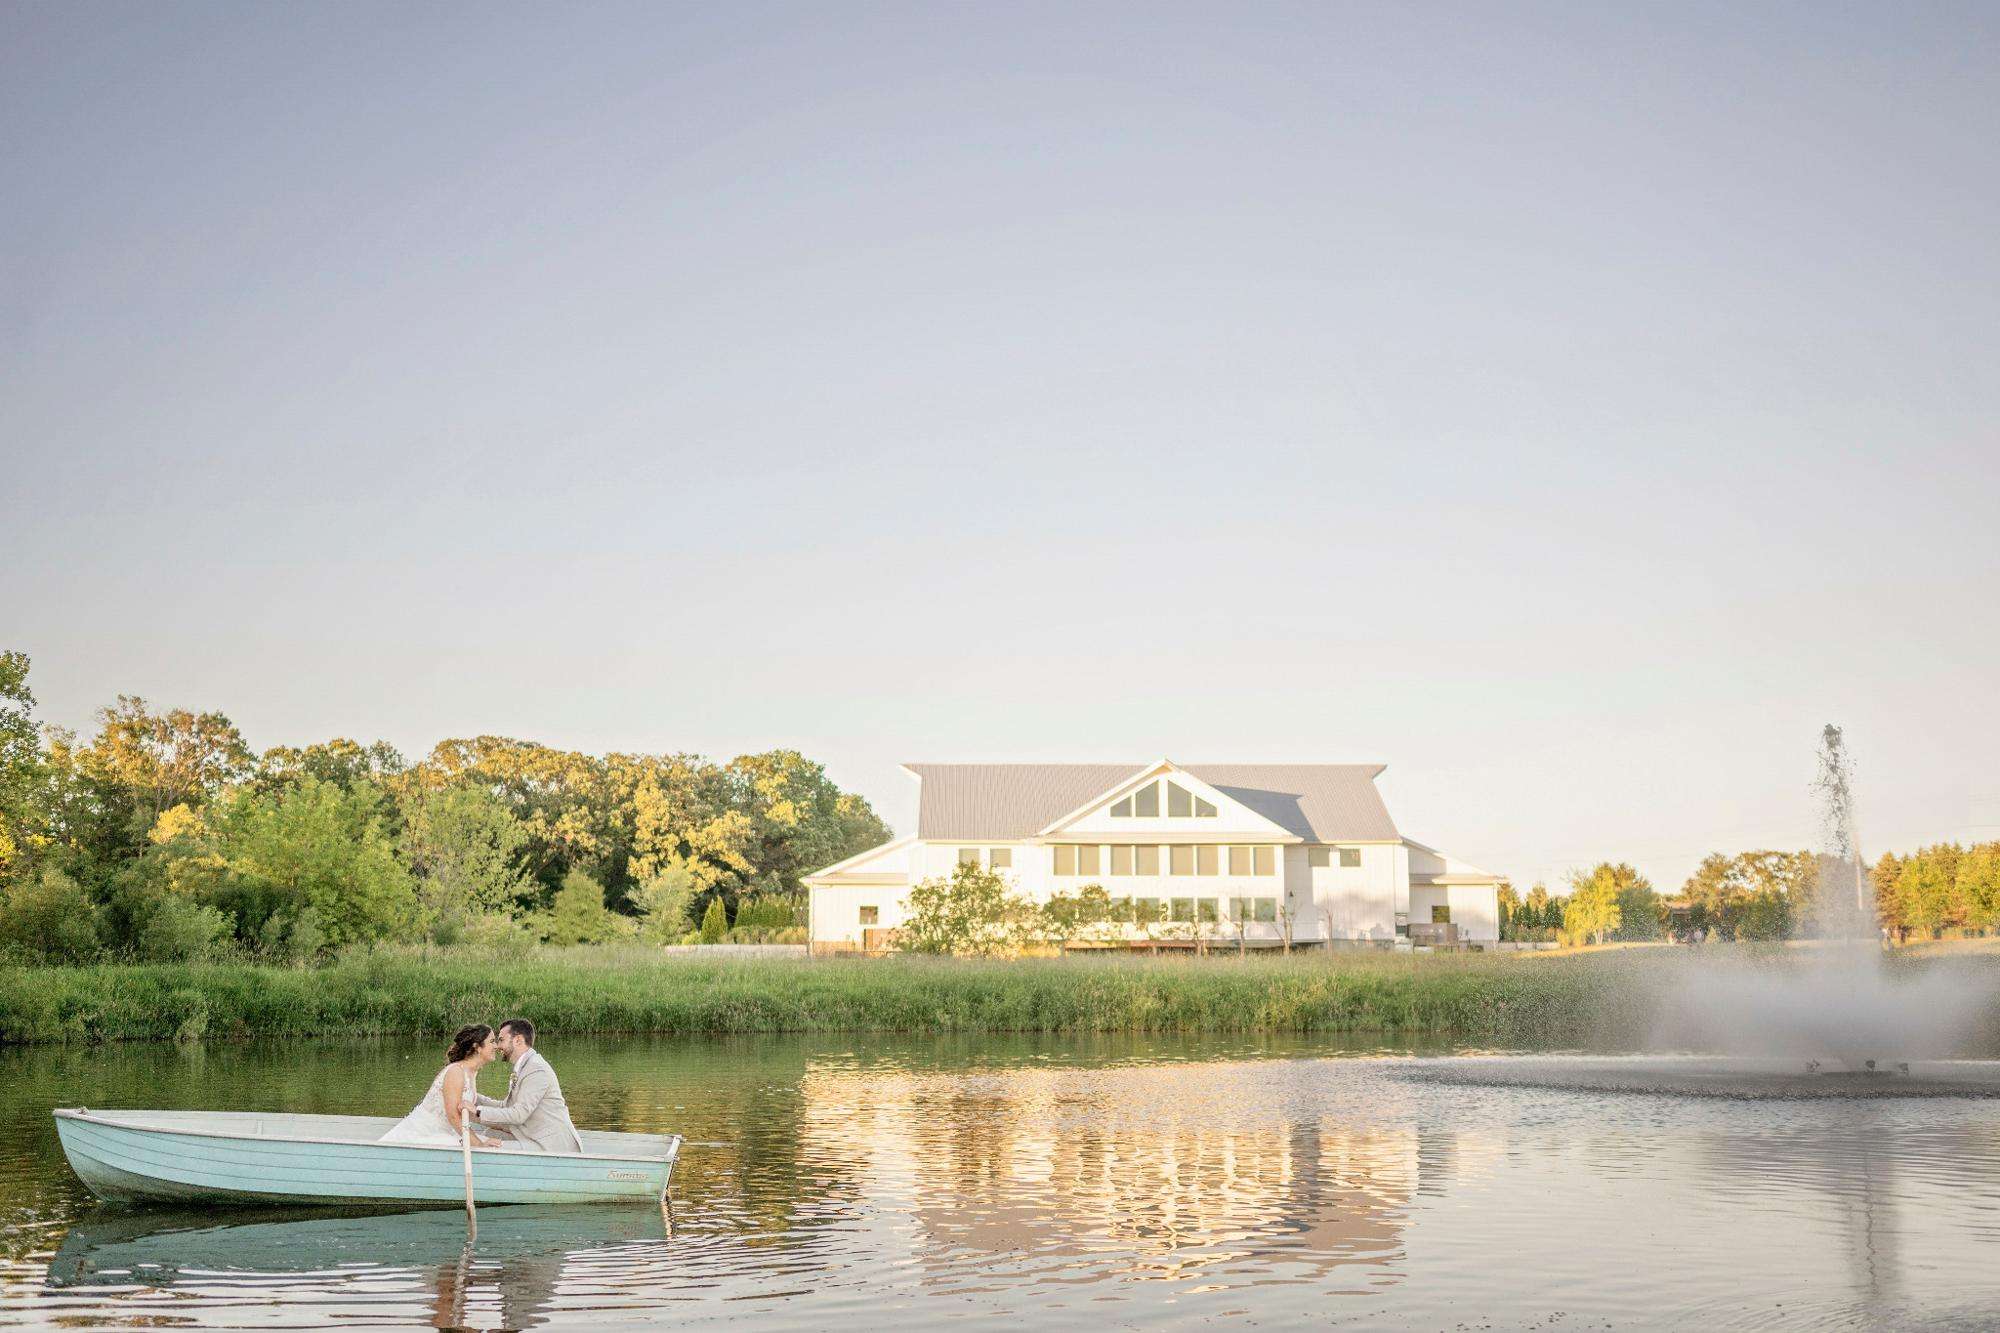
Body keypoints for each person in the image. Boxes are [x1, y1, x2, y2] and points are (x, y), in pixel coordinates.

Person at [467, 1017, 584, 1153]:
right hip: (533, 1135)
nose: (498, 1046)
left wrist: (478, 1112)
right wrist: (474, 1096)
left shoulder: (536, 1069)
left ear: (518, 1040)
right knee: (489, 1134)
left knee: (489, 1145)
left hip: (552, 1145)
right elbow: (505, 1107)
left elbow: (518, 1115)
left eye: (501, 1040)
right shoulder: (525, 1066)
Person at [381, 1023, 505, 1147]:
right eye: (492, 1041)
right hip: (426, 1133)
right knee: (481, 1143)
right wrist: (478, 1144)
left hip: (445, 1131)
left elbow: (467, 1113)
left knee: (494, 1143)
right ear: (477, 1047)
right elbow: (453, 1116)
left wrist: (502, 1124)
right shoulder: (456, 1072)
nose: (496, 1046)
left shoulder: (471, 1072)